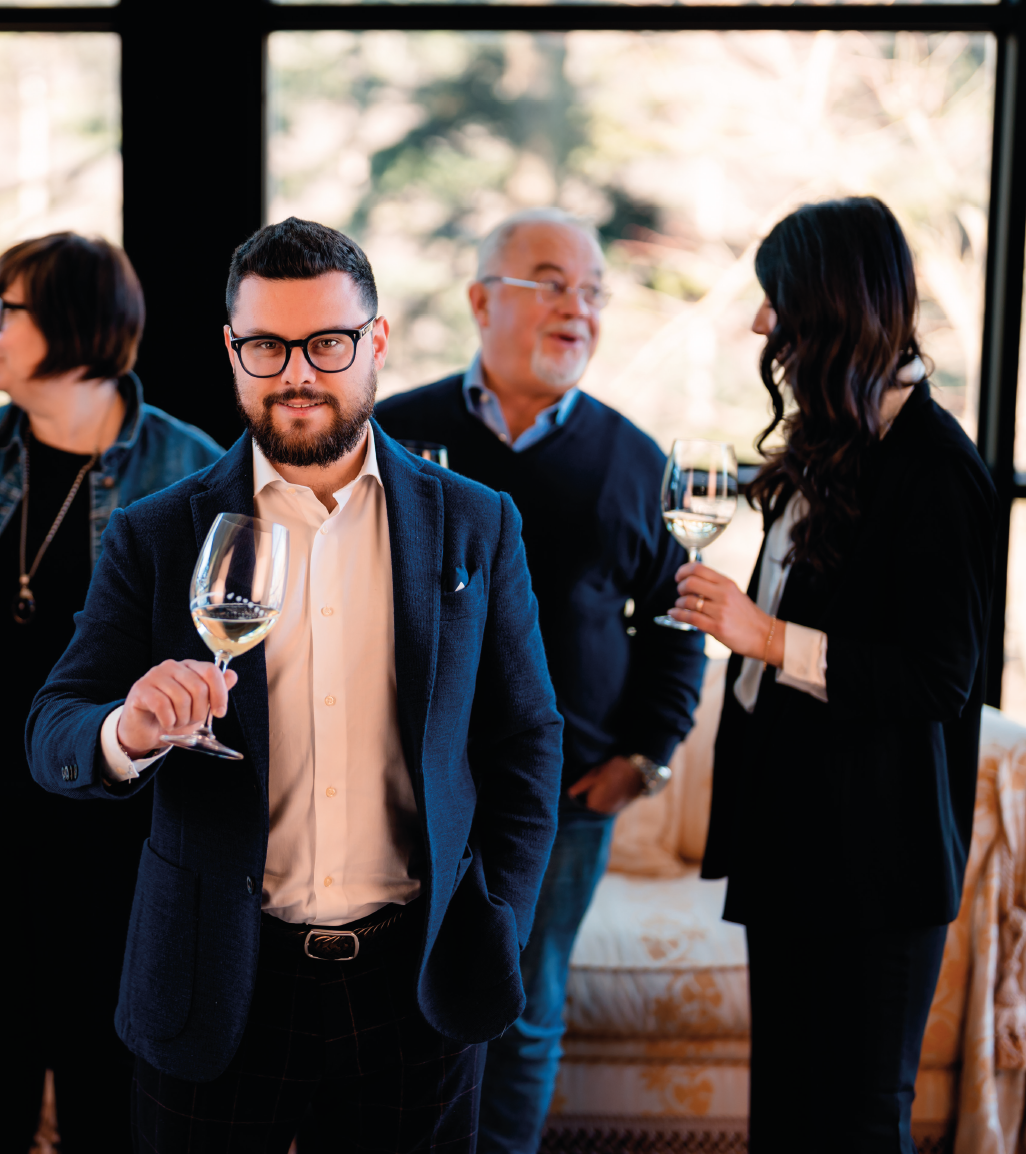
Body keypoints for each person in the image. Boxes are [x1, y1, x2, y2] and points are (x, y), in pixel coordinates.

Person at [26, 217, 565, 1152]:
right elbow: (53, 729)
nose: (296, 374)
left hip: (417, 986)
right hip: (217, 982)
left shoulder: (476, 524)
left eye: (327, 343)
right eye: (266, 346)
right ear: (231, 349)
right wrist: (127, 729)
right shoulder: (157, 532)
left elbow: (527, 738)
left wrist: (497, 919)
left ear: (376, 341)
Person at [0, 232, 221, 1151]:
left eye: (3, 311)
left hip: (104, 797)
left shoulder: (187, 468)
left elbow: (218, 646)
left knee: (96, 1021)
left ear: (71, 323)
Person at [374, 207, 706, 1152]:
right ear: (482, 301)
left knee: (520, 1011)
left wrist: (647, 755)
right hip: (407, 789)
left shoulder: (635, 461)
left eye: (594, 291)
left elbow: (678, 615)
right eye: (552, 283)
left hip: (561, 800)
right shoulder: (395, 435)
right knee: (395, 1002)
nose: (579, 307)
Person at [673, 196, 995, 1153]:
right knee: (783, 1116)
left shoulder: (938, 469)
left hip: (876, 867)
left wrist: (767, 636)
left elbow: (939, 680)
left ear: (826, 308)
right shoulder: (828, 441)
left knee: (853, 1126)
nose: (759, 323)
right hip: (790, 841)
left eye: (775, 299)